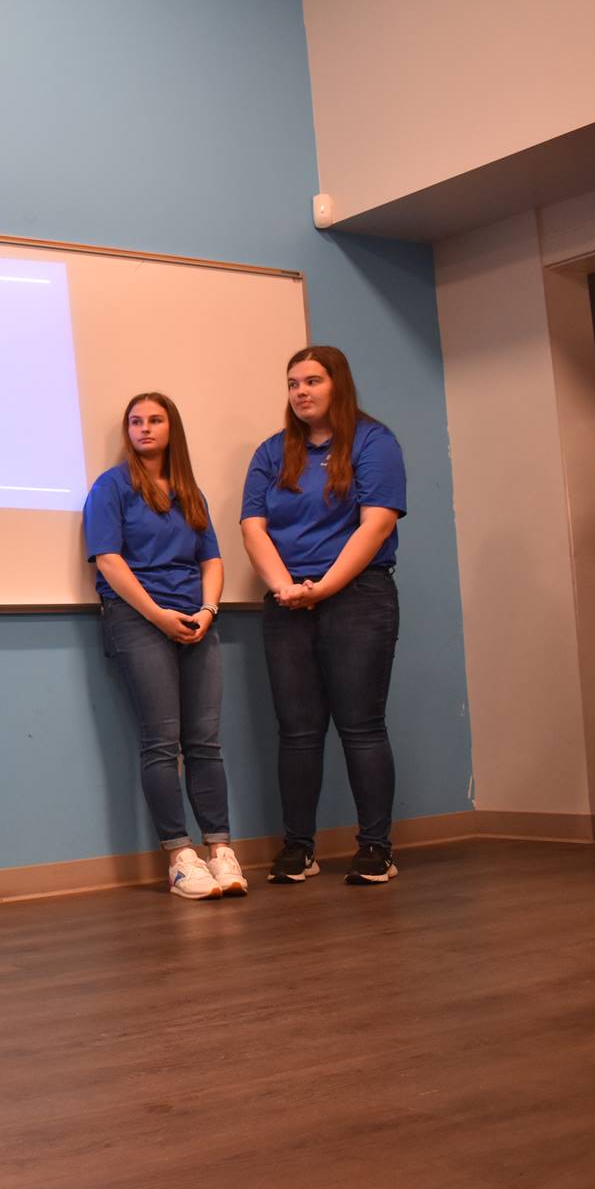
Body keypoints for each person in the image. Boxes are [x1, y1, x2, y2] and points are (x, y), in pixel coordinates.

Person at [241, 345, 407, 886]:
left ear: (338, 384)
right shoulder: (272, 452)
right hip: (288, 600)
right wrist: (286, 589)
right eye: (293, 383)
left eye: (312, 381)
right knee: (297, 731)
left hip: (358, 597)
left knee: (361, 726)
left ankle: (376, 849)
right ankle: (298, 849)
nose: (301, 392)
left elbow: (376, 524)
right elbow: (253, 527)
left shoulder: (375, 442)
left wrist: (326, 587)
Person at [84, 393, 245, 900]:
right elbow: (108, 560)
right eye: (135, 421)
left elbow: (212, 560)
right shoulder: (111, 487)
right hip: (138, 619)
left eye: (155, 420)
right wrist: (158, 615)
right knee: (161, 742)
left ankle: (219, 850)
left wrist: (207, 611)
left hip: (196, 621)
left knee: (205, 742)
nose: (145, 428)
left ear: (171, 428)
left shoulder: (189, 492)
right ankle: (179, 858)